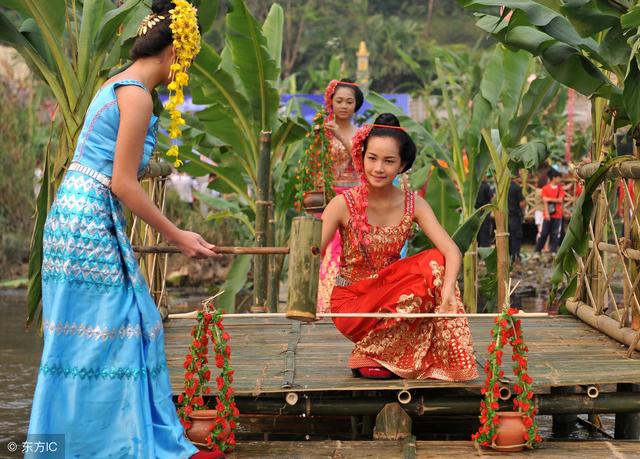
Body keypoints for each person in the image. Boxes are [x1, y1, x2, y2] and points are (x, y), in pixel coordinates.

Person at [27, 1, 223, 458]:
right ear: (174, 52)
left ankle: (74, 440)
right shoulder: (136, 94)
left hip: (75, 210)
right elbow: (121, 181)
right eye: (187, 58)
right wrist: (180, 235)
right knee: (108, 327)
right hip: (90, 213)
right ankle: (99, 445)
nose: (184, 69)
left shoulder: (116, 81)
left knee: (100, 327)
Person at [321, 113, 478, 381]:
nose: (378, 168)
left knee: (436, 261)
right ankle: (374, 352)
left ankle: (381, 356)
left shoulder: (414, 204)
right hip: (352, 303)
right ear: (362, 157)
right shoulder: (341, 204)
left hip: (393, 296)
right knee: (426, 272)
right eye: (372, 158)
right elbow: (311, 252)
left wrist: (449, 290)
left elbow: (451, 250)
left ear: (402, 164)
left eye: (389, 160)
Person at [317, 79, 365, 313]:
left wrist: (342, 139)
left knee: (349, 249)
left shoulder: (361, 135)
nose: (344, 106)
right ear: (331, 102)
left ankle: (348, 299)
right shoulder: (321, 131)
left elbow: (362, 165)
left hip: (355, 199)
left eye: (349, 101)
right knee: (325, 248)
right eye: (339, 101)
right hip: (328, 198)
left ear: (356, 105)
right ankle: (325, 300)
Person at [534, 168, 565, 256]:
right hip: (547, 214)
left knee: (556, 234)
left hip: (558, 214)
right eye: (559, 177)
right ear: (554, 178)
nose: (560, 179)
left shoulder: (560, 188)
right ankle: (538, 250)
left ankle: (553, 251)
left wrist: (549, 199)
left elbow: (561, 200)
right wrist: (546, 213)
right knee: (544, 233)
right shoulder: (545, 188)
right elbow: (544, 201)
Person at [508, 175, 525, 263]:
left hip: (505, 216)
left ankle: (509, 255)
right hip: (515, 216)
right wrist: (523, 212)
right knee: (516, 236)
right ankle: (516, 256)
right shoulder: (517, 188)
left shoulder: (504, 187)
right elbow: (522, 203)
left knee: (508, 236)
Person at [475, 176, 494, 247]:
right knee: (484, 235)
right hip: (485, 213)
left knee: (477, 234)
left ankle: (478, 253)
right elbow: (492, 198)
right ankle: (484, 253)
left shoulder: (474, 186)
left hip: (475, 213)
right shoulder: (486, 186)